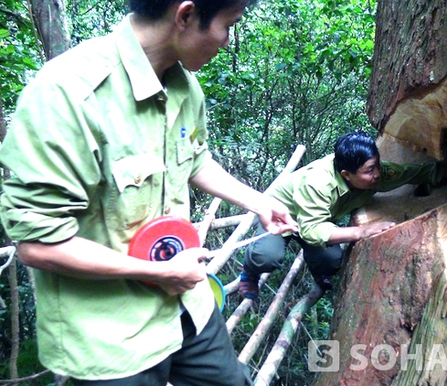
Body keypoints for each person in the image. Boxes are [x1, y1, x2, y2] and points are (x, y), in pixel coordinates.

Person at [0, 0, 297, 385]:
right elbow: (38, 245)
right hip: (113, 340)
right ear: (186, 15)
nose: (227, 41)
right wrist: (157, 272)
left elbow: (195, 160)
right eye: (228, 25)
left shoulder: (182, 84)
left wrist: (258, 201)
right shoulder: (68, 95)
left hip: (189, 307)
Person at [239, 131, 447, 299]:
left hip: (317, 217)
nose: (377, 175)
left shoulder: (377, 174)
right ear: (346, 174)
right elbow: (311, 231)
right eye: (369, 171)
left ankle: (320, 274)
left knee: (332, 261)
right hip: (282, 214)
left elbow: (423, 173)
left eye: (377, 166)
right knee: (267, 256)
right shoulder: (317, 184)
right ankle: (249, 271)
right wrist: (361, 231)